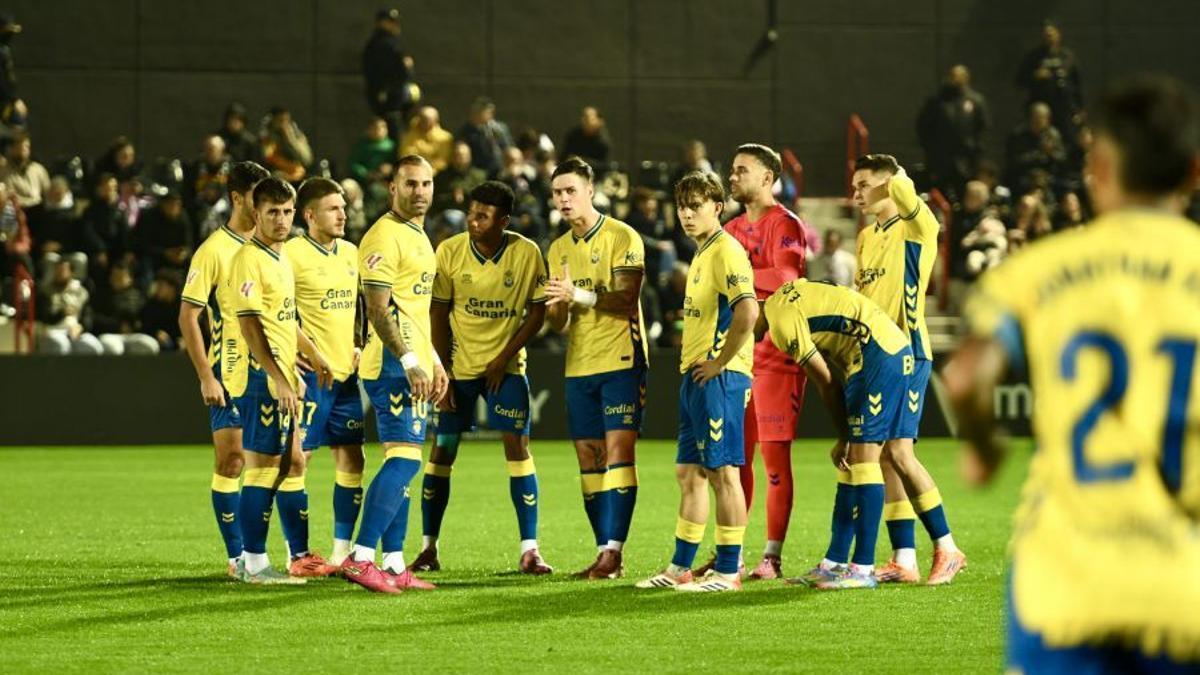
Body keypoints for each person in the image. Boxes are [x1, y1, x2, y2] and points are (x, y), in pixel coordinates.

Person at [945, 74, 1200, 672]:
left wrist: (984, 450)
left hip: (1062, 584)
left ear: (1100, 170)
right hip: (1183, 588)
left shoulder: (1043, 269)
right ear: (1192, 172)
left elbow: (964, 377)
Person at [410, 181, 552, 575]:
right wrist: (445, 372)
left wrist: (503, 357)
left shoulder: (526, 254)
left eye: (483, 216)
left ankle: (530, 550)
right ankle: (428, 549)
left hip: (505, 372)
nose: (472, 221)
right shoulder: (450, 251)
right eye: (472, 213)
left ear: (503, 221)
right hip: (459, 372)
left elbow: (537, 313)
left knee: (518, 448)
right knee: (443, 451)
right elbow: (437, 314)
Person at [634, 170, 757, 592]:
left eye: (696, 206)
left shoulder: (726, 251)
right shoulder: (703, 252)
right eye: (682, 208)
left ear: (718, 208)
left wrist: (722, 362)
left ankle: (728, 570)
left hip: (719, 379)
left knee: (723, 473)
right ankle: (680, 568)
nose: (687, 215)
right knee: (689, 473)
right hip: (695, 377)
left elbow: (748, 312)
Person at [852, 154, 966, 585]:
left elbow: (905, 190)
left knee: (899, 452)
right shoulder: (865, 237)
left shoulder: (918, 227)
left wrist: (894, 175)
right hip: (873, 354)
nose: (856, 193)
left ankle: (948, 548)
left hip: (908, 351)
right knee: (885, 456)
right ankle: (904, 557)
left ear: (888, 184)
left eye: (864, 184)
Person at [760, 279, 913, 590]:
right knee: (851, 465)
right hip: (871, 352)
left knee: (864, 460)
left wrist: (843, 435)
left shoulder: (782, 324)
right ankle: (835, 562)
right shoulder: (781, 298)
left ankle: (863, 567)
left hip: (877, 352)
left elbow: (826, 381)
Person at [340, 155, 448, 593]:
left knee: (398, 459)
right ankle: (361, 556)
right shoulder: (383, 236)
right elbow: (378, 311)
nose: (419, 191)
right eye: (410, 184)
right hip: (391, 364)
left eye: (426, 183)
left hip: (415, 361)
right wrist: (408, 361)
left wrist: (435, 360)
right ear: (393, 188)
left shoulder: (418, 234)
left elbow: (415, 309)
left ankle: (395, 563)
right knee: (406, 459)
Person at [227, 177, 335, 584]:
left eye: (288, 211)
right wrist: (279, 377)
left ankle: (296, 554)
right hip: (260, 378)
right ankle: (252, 563)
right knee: (262, 469)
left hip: (281, 375)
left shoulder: (280, 256)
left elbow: (284, 320)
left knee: (289, 463)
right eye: (273, 212)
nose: (282, 219)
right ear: (256, 214)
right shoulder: (248, 259)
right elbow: (251, 324)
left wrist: (312, 355)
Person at [544, 156, 647, 580]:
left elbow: (625, 299)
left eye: (570, 191)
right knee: (588, 455)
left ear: (590, 190)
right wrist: (556, 305)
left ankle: (614, 552)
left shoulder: (624, 237)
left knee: (619, 450)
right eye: (557, 193)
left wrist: (578, 295)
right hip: (579, 363)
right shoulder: (558, 248)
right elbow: (557, 321)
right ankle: (602, 551)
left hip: (622, 359)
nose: (563, 199)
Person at [720, 143, 807, 580]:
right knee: (737, 460)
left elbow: (786, 276)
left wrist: (736, 278)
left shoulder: (785, 223)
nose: (732, 177)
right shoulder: (731, 228)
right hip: (737, 358)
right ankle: (730, 554)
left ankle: (771, 557)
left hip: (777, 356)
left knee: (774, 460)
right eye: (732, 171)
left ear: (768, 178)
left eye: (742, 171)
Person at [178, 161, 268, 577]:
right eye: (258, 196)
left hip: (273, 372)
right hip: (230, 372)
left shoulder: (276, 246)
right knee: (232, 460)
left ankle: (279, 554)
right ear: (237, 198)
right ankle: (237, 559)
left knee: (282, 464)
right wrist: (205, 376)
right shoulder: (214, 249)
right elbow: (188, 316)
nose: (267, 205)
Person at [283, 177, 366, 567]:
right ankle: (295, 553)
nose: (343, 214)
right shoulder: (291, 254)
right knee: (298, 460)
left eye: (343, 207)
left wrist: (359, 343)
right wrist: (304, 352)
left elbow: (360, 307)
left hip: (345, 377)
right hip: (312, 379)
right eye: (334, 208)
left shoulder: (351, 252)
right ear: (309, 214)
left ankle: (341, 551)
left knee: (353, 459)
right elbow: (279, 312)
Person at [917, 64, 990, 202]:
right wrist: (931, 151)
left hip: (966, 160)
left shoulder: (975, 101)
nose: (955, 80)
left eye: (959, 77)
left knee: (965, 194)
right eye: (952, 77)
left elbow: (983, 129)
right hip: (941, 159)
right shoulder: (937, 102)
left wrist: (976, 152)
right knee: (940, 195)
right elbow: (923, 128)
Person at [362, 8, 417, 144]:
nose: (396, 25)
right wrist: (406, 68)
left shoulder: (383, 42)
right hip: (389, 97)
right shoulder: (383, 44)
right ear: (382, 23)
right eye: (391, 22)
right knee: (394, 135)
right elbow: (399, 71)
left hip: (389, 95)